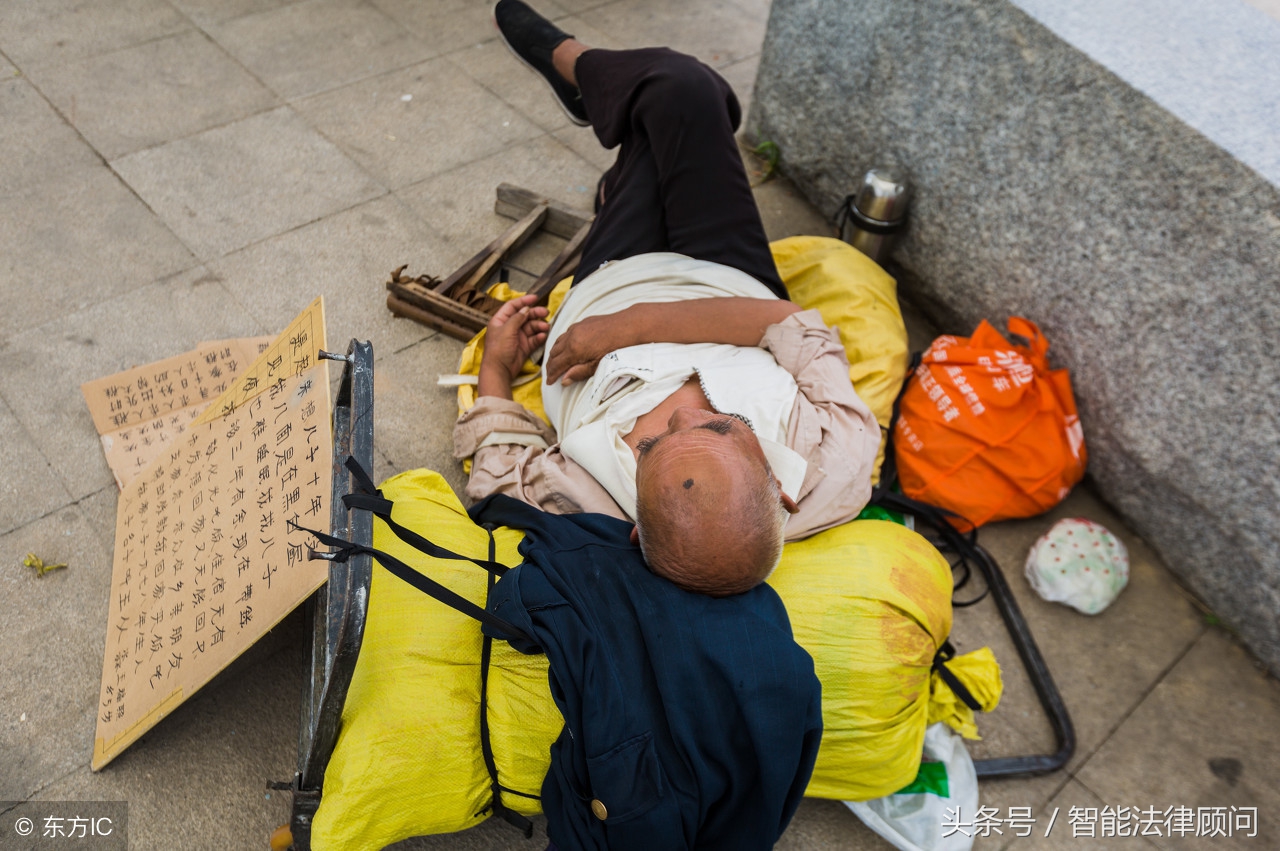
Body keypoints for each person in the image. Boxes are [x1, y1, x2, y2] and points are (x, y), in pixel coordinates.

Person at [454, 0, 881, 596]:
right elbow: (793, 325)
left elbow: (496, 476)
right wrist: (634, 325)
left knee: (668, 106)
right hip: (728, 280)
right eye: (725, 425)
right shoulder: (834, 464)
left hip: (610, 279)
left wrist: (498, 367)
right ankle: (594, 92)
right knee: (688, 90)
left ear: (636, 533)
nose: (685, 408)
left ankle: (608, 125)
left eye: (650, 443)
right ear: (775, 485)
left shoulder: (582, 505)